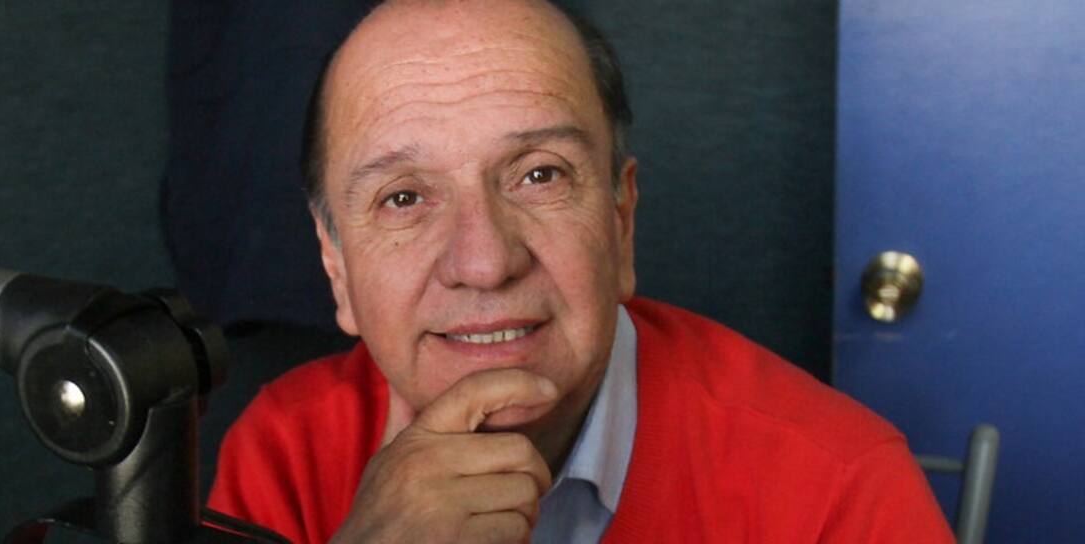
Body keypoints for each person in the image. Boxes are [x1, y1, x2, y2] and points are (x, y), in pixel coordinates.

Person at [208, 1, 954, 542]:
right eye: (403, 198)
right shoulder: (283, 449)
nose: (485, 263)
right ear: (335, 264)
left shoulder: (842, 486)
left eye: (540, 175)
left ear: (620, 223)